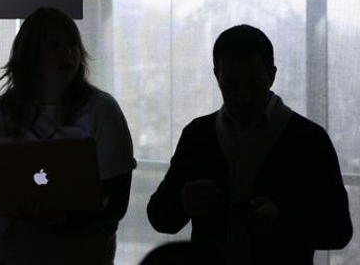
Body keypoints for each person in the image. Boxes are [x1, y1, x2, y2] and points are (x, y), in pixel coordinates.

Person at [146, 24, 353, 265]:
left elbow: (339, 231)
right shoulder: (305, 138)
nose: (242, 96)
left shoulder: (309, 140)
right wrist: (181, 202)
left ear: (272, 76)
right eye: (230, 85)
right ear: (216, 76)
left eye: (253, 84)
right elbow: (159, 217)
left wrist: (281, 219)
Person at [0, 7, 136, 265]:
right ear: (30, 54)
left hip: (82, 255)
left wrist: (65, 219)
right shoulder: (0, 112)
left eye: (72, 44)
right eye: (54, 45)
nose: (67, 53)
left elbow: (116, 204)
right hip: (11, 254)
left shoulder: (102, 110)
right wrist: (19, 206)